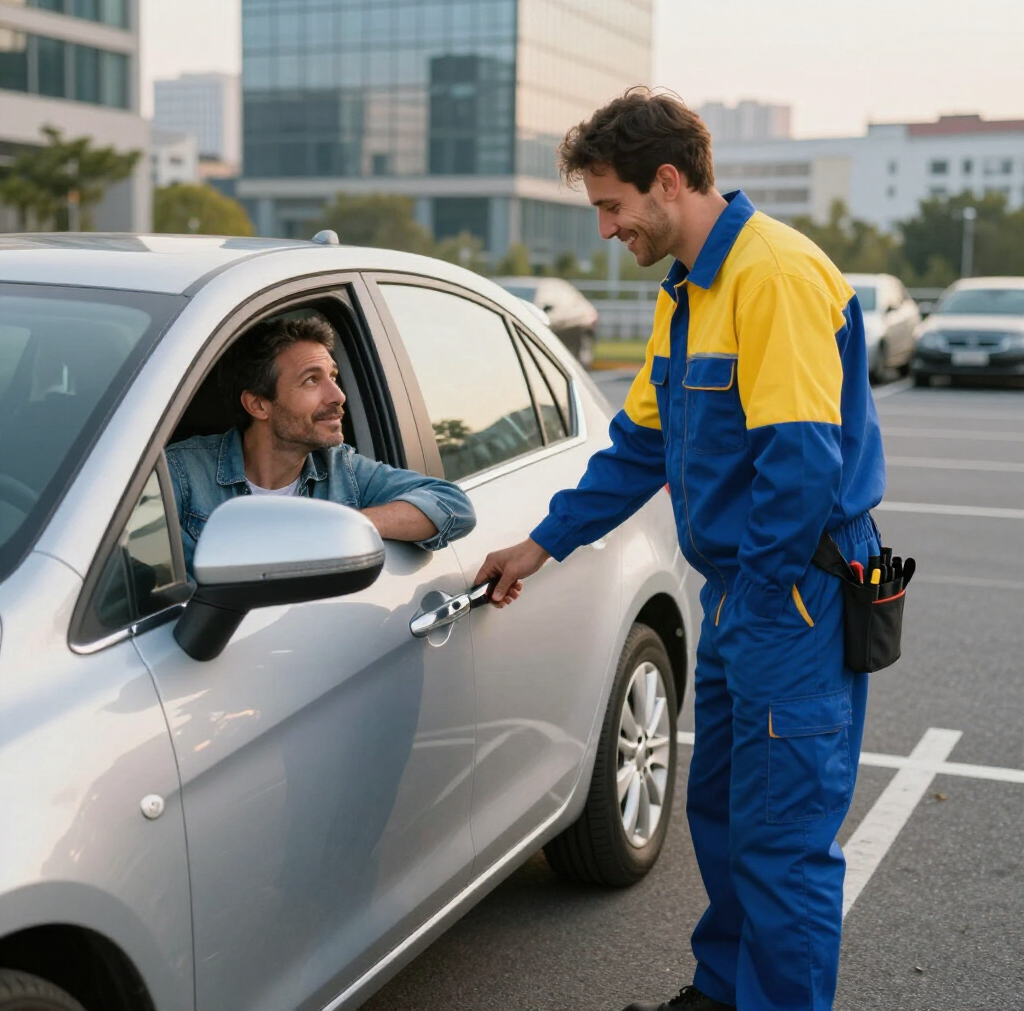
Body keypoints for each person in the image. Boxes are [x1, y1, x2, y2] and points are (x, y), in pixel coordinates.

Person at [474, 88, 886, 1011]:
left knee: (781, 842)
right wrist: (541, 545)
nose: (608, 228)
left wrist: (762, 599)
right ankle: (724, 991)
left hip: (795, 595)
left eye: (612, 205)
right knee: (728, 818)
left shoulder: (771, 276)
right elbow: (643, 448)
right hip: (749, 594)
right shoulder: (689, 292)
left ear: (668, 181)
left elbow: (802, 466)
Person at [167, 313, 476, 575]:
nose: (338, 396)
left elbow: (454, 506)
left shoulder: (344, 469)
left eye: (332, 376)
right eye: (312, 380)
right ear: (259, 405)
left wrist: (345, 526)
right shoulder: (178, 474)